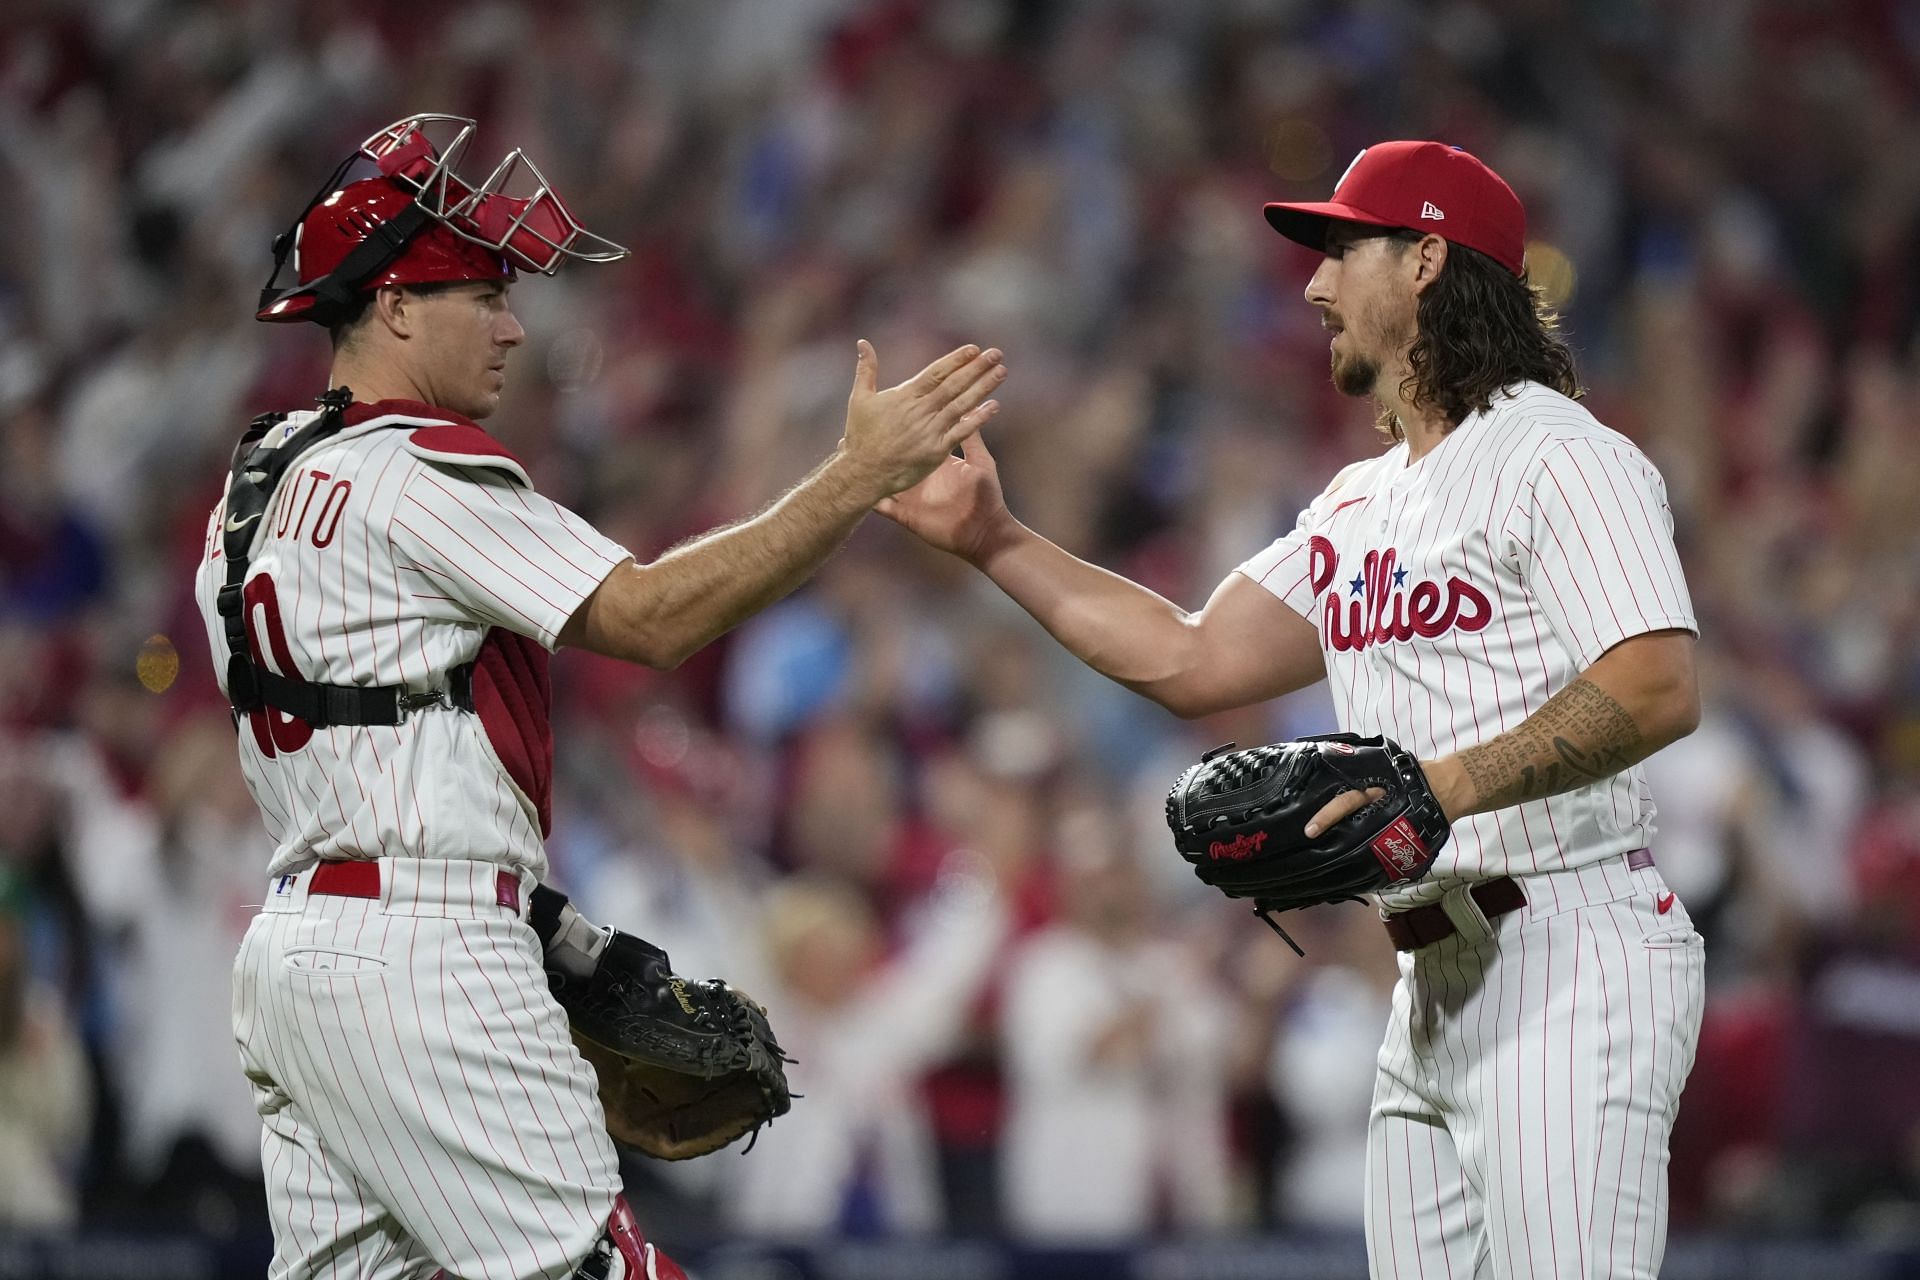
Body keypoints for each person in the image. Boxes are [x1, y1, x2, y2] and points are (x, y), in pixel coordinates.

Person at [192, 114, 1005, 1280]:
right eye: (483, 292)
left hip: (298, 952)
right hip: (423, 950)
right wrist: (857, 476)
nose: (516, 325)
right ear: (397, 308)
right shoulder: (419, 464)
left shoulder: (254, 486)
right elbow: (655, 617)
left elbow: (384, 739)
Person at [882, 139, 1706, 1278]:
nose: (1314, 286)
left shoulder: (1563, 456)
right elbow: (1190, 655)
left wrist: (1441, 785)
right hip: (1428, 973)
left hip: (1570, 944)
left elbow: (1658, 681)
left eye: (1340, 249)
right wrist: (995, 541)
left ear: (1426, 259)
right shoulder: (1362, 501)